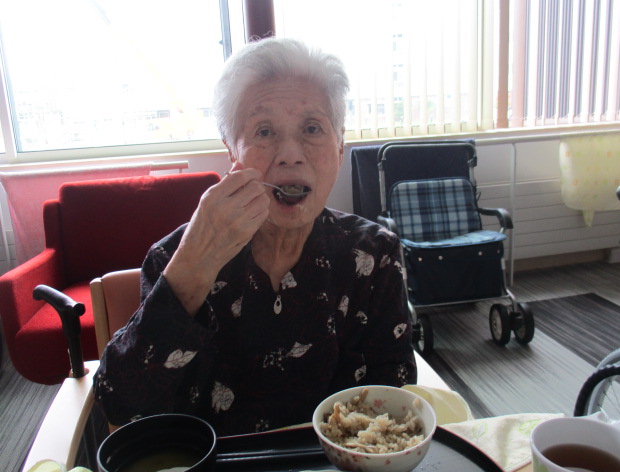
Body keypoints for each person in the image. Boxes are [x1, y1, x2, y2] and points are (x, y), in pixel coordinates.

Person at [93, 37, 417, 436]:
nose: (290, 154)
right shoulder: (175, 256)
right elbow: (123, 407)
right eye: (264, 131)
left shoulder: (375, 254)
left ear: (339, 147)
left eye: (312, 128)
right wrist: (193, 269)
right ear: (233, 152)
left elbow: (395, 399)